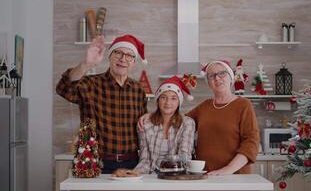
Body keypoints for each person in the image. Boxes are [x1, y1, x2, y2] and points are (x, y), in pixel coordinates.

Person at [139, 59, 260, 175]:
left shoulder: (243, 105)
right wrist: (153, 115)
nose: (217, 78)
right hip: (205, 174)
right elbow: (177, 120)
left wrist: (229, 169)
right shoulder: (205, 106)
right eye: (212, 76)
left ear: (231, 77)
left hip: (234, 175)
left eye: (222, 73)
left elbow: (251, 142)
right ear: (209, 82)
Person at [56, 34, 148, 174]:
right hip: (96, 163)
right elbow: (63, 88)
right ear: (109, 56)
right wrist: (86, 64)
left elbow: (143, 126)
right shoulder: (90, 84)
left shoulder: (139, 90)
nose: (123, 59)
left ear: (134, 61)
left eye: (129, 55)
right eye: (118, 53)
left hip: (132, 164)